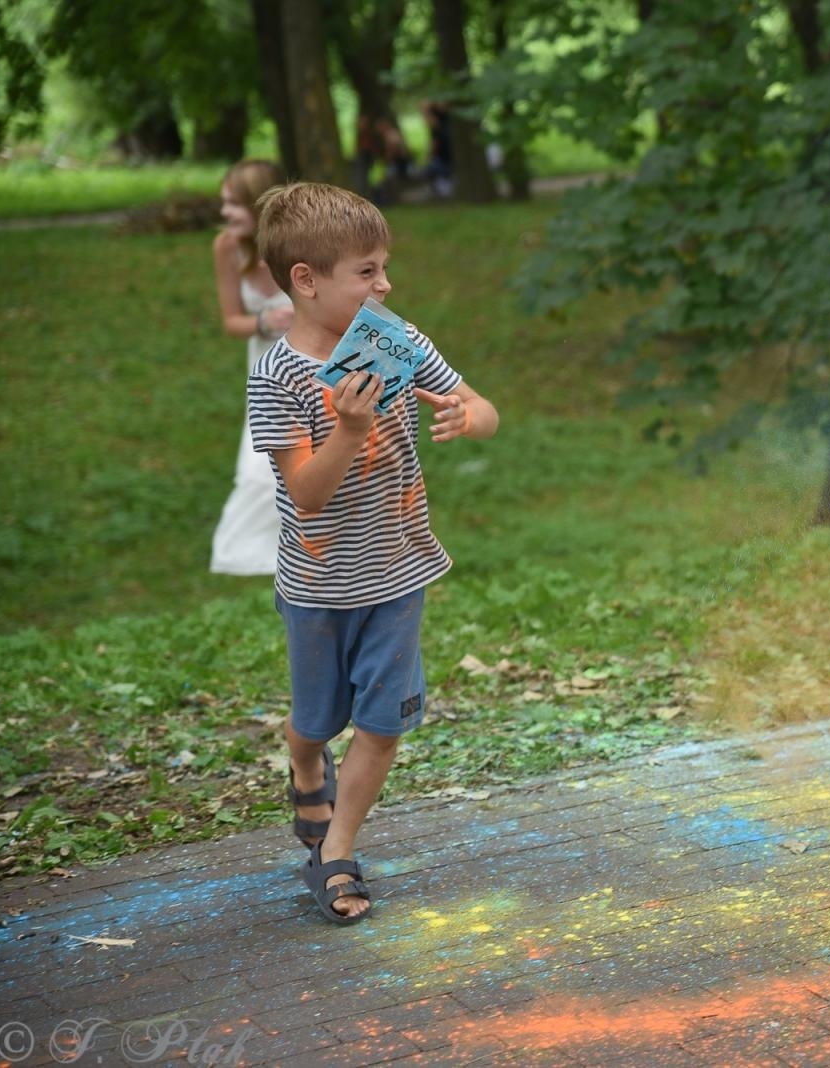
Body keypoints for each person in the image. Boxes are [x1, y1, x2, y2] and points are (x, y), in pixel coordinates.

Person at [249, 182, 500, 923]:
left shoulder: (396, 340)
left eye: (384, 267)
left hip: (397, 570)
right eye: (367, 271)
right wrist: (350, 430)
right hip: (319, 586)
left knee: (383, 723)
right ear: (306, 279)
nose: (385, 284)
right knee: (317, 722)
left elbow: (483, 406)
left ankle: (336, 851)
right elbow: (307, 494)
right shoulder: (276, 376)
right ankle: (304, 761)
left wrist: (467, 416)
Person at [209, 159, 293, 575]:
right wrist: (264, 321)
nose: (225, 212)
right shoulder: (227, 247)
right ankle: (266, 554)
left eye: (233, 203)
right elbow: (231, 322)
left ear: (258, 203)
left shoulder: (301, 241)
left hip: (313, 359)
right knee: (263, 466)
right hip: (266, 365)